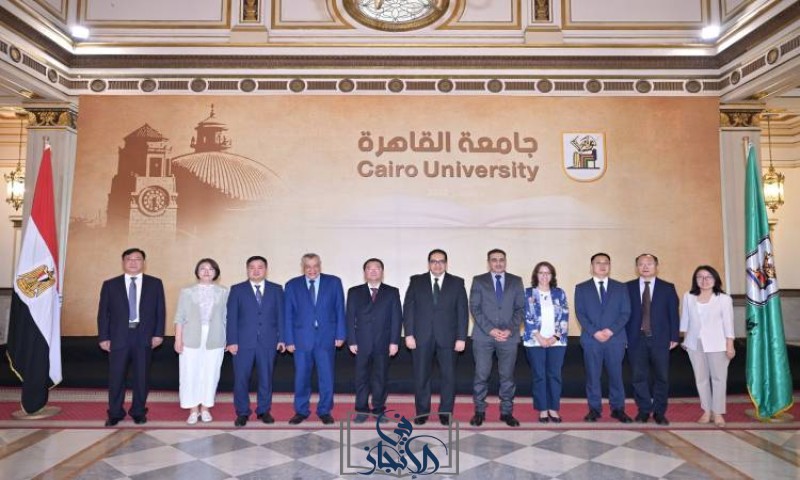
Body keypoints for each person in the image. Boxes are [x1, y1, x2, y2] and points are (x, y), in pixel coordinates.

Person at [97, 247, 165, 426]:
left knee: (142, 377)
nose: (133, 262)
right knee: (116, 377)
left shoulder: (155, 283)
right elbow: (103, 314)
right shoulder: (110, 285)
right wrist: (103, 337)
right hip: (118, 336)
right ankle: (115, 412)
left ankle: (138, 411)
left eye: (138, 259)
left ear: (144, 262)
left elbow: (160, 311)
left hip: (144, 336)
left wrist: (158, 334)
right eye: (129, 259)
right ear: (123, 262)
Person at [403, 248, 469, 426]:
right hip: (421, 337)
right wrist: (408, 334)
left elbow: (462, 312)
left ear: (446, 264)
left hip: (448, 338)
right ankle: (422, 412)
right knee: (421, 376)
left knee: (449, 377)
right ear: (429, 264)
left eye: (441, 261)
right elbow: (408, 309)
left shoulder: (457, 283)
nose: (437, 264)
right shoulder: (416, 281)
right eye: (433, 261)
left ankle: (445, 413)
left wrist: (461, 337)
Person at [284, 253, 346, 425]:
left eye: (315, 266)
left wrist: (341, 334)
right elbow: (288, 314)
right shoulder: (292, 285)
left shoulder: (334, 282)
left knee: (327, 377)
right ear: (302, 267)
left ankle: (325, 410)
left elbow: (340, 309)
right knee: (301, 377)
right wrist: (289, 340)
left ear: (320, 265)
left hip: (327, 338)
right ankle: (301, 411)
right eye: (308, 267)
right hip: (301, 339)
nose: (312, 270)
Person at [468, 249, 525, 427]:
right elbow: (474, 308)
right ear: (488, 263)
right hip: (483, 337)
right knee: (481, 375)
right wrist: (491, 330)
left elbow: (521, 309)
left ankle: (506, 412)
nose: (498, 263)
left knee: (507, 376)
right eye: (494, 260)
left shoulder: (516, 281)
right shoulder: (479, 280)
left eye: (501, 260)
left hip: (509, 337)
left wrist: (509, 329)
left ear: (505, 262)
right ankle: (479, 411)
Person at [226, 255, 285, 427]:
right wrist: (231, 341)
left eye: (260, 267)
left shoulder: (276, 289)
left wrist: (282, 338)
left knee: (266, 378)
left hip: (268, 341)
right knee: (241, 379)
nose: (256, 270)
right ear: (247, 270)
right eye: (252, 267)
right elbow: (231, 317)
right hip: (242, 342)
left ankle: (263, 410)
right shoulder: (237, 289)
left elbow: (281, 316)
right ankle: (242, 412)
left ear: (266, 269)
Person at [574, 252, 632, 423]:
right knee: (593, 376)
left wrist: (611, 331)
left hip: (615, 339)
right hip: (592, 339)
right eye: (598, 262)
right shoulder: (582, 288)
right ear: (591, 266)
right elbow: (580, 313)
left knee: (616, 375)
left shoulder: (620, 287)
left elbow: (625, 312)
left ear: (609, 266)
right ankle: (594, 409)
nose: (602, 265)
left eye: (606, 262)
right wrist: (595, 332)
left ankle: (618, 409)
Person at [625, 253, 680, 425]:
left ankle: (659, 412)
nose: (645, 267)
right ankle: (643, 410)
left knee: (662, 377)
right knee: (638, 377)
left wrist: (674, 336)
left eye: (649, 263)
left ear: (656, 266)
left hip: (661, 339)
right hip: (635, 339)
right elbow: (623, 314)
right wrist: (623, 337)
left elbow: (673, 314)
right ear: (637, 268)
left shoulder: (667, 288)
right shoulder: (627, 287)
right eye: (641, 264)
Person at [346, 258, 403, 423]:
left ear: (382, 272)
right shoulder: (354, 292)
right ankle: (361, 410)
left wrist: (394, 342)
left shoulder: (392, 292)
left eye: (377, 268)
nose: (373, 271)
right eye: (369, 268)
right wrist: (351, 340)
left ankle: (378, 409)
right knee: (361, 378)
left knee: (381, 378)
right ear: (364, 272)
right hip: (361, 343)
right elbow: (349, 317)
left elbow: (396, 318)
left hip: (383, 343)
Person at [174, 258, 228, 425]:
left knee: (211, 373)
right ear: (197, 272)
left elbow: (227, 318)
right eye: (202, 268)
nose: (206, 271)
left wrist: (228, 339)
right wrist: (178, 339)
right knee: (190, 373)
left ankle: (205, 408)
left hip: (215, 337)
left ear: (216, 273)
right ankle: (193, 410)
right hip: (191, 337)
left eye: (211, 269)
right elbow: (180, 317)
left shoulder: (224, 292)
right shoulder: (187, 291)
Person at [680, 265, 735, 427]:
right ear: (695, 280)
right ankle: (706, 410)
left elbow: (728, 323)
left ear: (715, 279)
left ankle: (717, 412)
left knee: (719, 379)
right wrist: (685, 339)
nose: (704, 280)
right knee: (701, 379)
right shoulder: (688, 296)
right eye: (700, 277)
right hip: (694, 343)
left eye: (708, 277)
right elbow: (685, 319)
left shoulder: (724, 299)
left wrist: (730, 345)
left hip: (718, 343)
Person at [523, 261, 569, 424]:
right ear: (536, 275)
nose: (544, 276)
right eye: (541, 272)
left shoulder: (559, 293)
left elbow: (564, 316)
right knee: (539, 376)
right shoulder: (528, 293)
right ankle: (542, 409)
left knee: (554, 375)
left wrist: (554, 337)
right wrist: (540, 338)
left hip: (557, 342)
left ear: (552, 276)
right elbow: (527, 317)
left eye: (547, 273)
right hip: (534, 341)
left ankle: (553, 408)